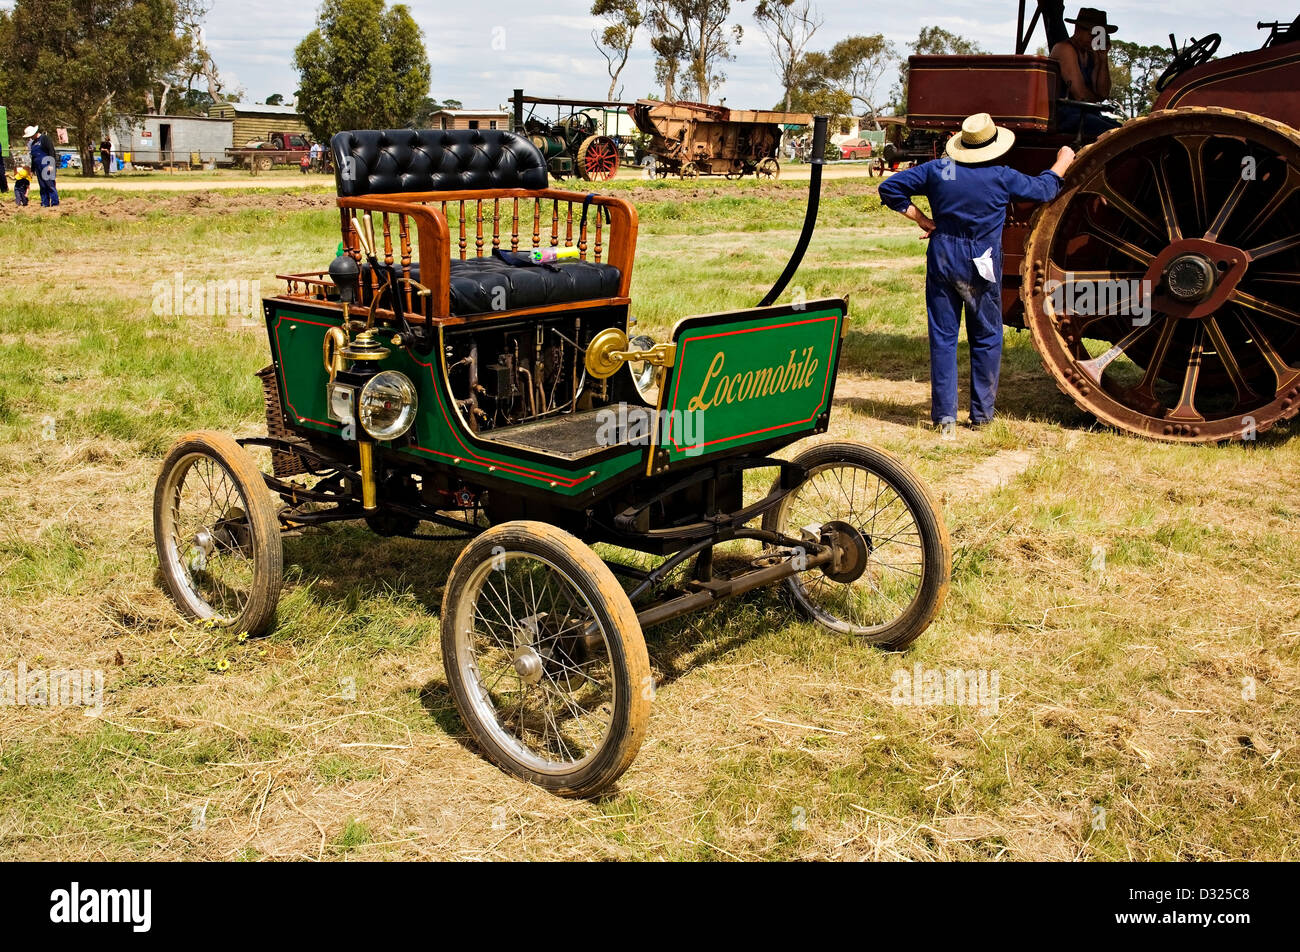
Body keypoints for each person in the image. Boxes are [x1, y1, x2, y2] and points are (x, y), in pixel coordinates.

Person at [879, 113, 1075, 428]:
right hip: (982, 258)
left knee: (943, 337)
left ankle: (944, 417)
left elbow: (890, 189)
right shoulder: (1001, 175)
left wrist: (923, 219)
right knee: (985, 335)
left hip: (943, 253)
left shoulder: (938, 170)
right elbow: (1043, 190)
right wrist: (1064, 160)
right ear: (993, 145)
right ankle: (981, 415)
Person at [1051, 7, 1122, 141]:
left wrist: (1102, 58)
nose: (1096, 39)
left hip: (1087, 114)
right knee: (1113, 134)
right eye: (1093, 35)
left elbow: (1103, 93)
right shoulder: (1065, 49)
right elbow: (1080, 95)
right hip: (1066, 115)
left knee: (1121, 129)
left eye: (1100, 35)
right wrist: (1095, 99)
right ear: (1078, 30)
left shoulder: (1091, 53)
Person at [24, 125, 59, 207]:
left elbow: (51, 151)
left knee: (49, 184)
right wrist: (32, 170)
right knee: (42, 185)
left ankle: (54, 203)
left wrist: (51, 164)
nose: (30, 138)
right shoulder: (33, 143)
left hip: (46, 164)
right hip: (38, 166)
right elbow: (33, 157)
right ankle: (45, 203)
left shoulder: (44, 139)